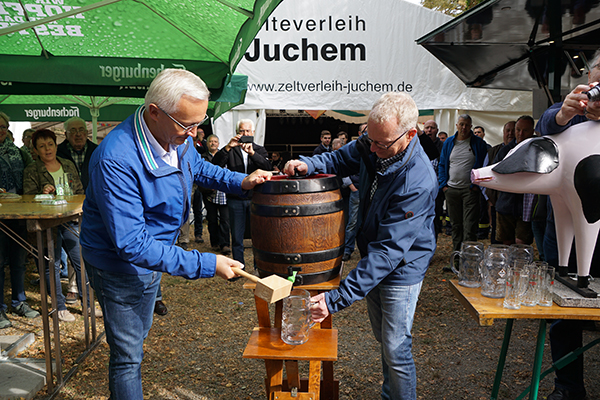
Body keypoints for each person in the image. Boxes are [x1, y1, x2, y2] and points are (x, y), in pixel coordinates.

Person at [79, 68, 272, 399]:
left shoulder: (175, 138)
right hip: (119, 267)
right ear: (154, 112)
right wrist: (208, 264)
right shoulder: (116, 159)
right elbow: (131, 244)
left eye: (200, 123)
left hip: (155, 256)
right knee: (127, 357)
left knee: (137, 336)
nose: (195, 133)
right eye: (187, 125)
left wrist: (240, 181)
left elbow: (198, 166)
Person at [285, 92, 437, 400]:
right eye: (370, 138)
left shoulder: (417, 181)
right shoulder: (375, 144)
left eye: (382, 143)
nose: (373, 148)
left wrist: (336, 299)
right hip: (376, 255)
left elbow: (388, 253)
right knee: (386, 342)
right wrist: (307, 164)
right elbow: (339, 158)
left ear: (409, 134)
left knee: (396, 347)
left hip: (402, 269)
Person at [535, 49, 600, 400]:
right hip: (563, 232)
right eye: (595, 82)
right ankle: (568, 387)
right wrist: (563, 112)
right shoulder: (571, 114)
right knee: (562, 309)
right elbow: (544, 127)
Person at [23, 129, 90, 322]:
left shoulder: (67, 164)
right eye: (42, 146)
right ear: (35, 150)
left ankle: (87, 303)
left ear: (55, 145)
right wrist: (42, 193)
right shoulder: (32, 170)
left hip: (69, 220)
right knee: (49, 265)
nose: (47, 149)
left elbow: (79, 191)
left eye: (50, 144)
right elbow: (27, 198)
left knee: (81, 261)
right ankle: (59, 307)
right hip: (45, 225)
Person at [212, 118, 271, 268]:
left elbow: (267, 166)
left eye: (247, 131)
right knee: (237, 236)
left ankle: (259, 266)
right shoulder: (231, 150)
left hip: (255, 198)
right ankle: (239, 267)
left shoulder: (259, 149)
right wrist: (227, 147)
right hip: (235, 197)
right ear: (237, 133)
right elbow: (215, 165)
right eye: (242, 131)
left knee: (258, 235)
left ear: (253, 133)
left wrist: (252, 153)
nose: (245, 134)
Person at [0, 112, 40, 329]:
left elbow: (29, 176)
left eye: (2, 126)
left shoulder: (18, 152)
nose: (0, 130)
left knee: (18, 260)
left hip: (19, 214)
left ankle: (19, 301)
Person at [57, 117, 99, 304]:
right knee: (75, 245)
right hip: (69, 207)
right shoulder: (58, 152)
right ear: (66, 134)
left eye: (81, 129)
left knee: (92, 245)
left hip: (94, 204)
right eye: (73, 131)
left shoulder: (97, 150)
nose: (78, 134)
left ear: (87, 132)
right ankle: (74, 287)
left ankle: (93, 285)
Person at [438, 114, 488, 252]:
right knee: (455, 226)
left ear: (470, 126)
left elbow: (483, 165)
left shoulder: (478, 143)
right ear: (457, 125)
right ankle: (457, 258)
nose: (464, 127)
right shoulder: (449, 142)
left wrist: (476, 186)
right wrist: (444, 186)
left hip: (469, 191)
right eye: (461, 124)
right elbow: (442, 164)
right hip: (451, 190)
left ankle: (469, 259)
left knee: (470, 226)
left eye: (467, 125)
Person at [493, 116, 536, 246]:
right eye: (518, 130)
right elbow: (495, 173)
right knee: (506, 242)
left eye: (525, 130)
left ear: (532, 131)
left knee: (521, 243)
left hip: (526, 206)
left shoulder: (536, 149)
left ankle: (520, 266)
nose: (520, 134)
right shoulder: (504, 151)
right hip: (506, 203)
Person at [484, 121, 516, 244]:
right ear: (503, 132)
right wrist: (489, 200)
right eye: (508, 130)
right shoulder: (493, 151)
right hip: (496, 202)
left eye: (514, 130)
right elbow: (485, 176)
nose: (510, 133)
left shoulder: (524, 150)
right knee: (497, 239)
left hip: (517, 204)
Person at [202, 134, 231, 255]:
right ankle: (215, 242)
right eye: (211, 141)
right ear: (207, 143)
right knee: (212, 219)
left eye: (215, 141)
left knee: (225, 219)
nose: (213, 143)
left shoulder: (225, 156)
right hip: (209, 192)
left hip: (223, 193)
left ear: (218, 144)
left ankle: (225, 244)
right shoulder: (202, 157)